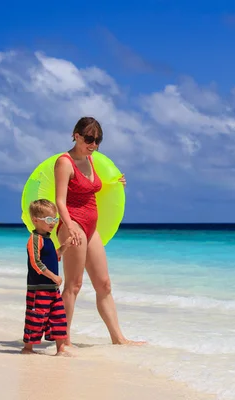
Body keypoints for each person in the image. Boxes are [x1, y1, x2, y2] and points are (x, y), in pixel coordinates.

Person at [54, 116, 144, 347]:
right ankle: (63, 342)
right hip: (72, 225)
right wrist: (70, 225)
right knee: (73, 285)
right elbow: (60, 201)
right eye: (89, 139)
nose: (93, 145)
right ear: (76, 136)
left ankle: (118, 338)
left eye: (98, 141)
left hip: (91, 227)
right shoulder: (65, 162)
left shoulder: (92, 160)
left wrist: (117, 184)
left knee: (104, 284)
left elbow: (98, 187)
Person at [21, 199, 75, 356]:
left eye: (55, 219)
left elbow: (53, 256)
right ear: (35, 220)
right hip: (39, 289)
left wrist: (64, 246)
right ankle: (27, 348)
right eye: (49, 219)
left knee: (58, 317)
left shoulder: (48, 239)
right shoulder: (34, 240)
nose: (53, 223)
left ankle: (61, 349)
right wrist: (54, 277)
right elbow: (36, 263)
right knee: (36, 318)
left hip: (52, 289)